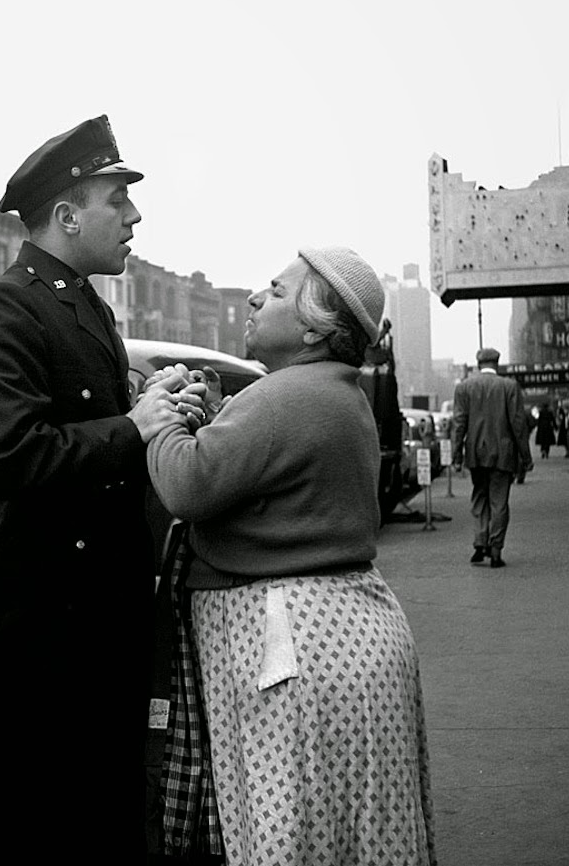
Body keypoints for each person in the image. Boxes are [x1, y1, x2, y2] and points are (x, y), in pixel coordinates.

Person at [0, 115, 200, 864]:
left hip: (94, 633)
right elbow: (10, 452)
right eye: (116, 199)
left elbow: (91, 417)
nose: (133, 216)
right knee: (39, 834)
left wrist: (159, 402)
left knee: (102, 827)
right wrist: (135, 423)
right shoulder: (4, 306)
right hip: (36, 646)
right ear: (66, 215)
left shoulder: (85, 304)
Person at [147, 248, 436, 865]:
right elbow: (272, 475)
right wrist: (223, 415)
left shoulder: (284, 397)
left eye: (275, 292)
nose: (255, 298)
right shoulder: (329, 392)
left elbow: (187, 485)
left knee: (292, 829)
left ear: (313, 328)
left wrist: (157, 420)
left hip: (292, 651)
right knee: (352, 831)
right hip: (343, 638)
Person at [451, 347, 533, 568]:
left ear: (478, 364)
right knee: (499, 502)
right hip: (503, 455)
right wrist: (526, 456)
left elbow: (459, 424)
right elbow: (518, 424)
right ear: (497, 363)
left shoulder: (464, 388)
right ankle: (496, 550)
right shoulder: (509, 387)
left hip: (476, 453)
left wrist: (456, 454)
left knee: (479, 497)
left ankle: (480, 541)